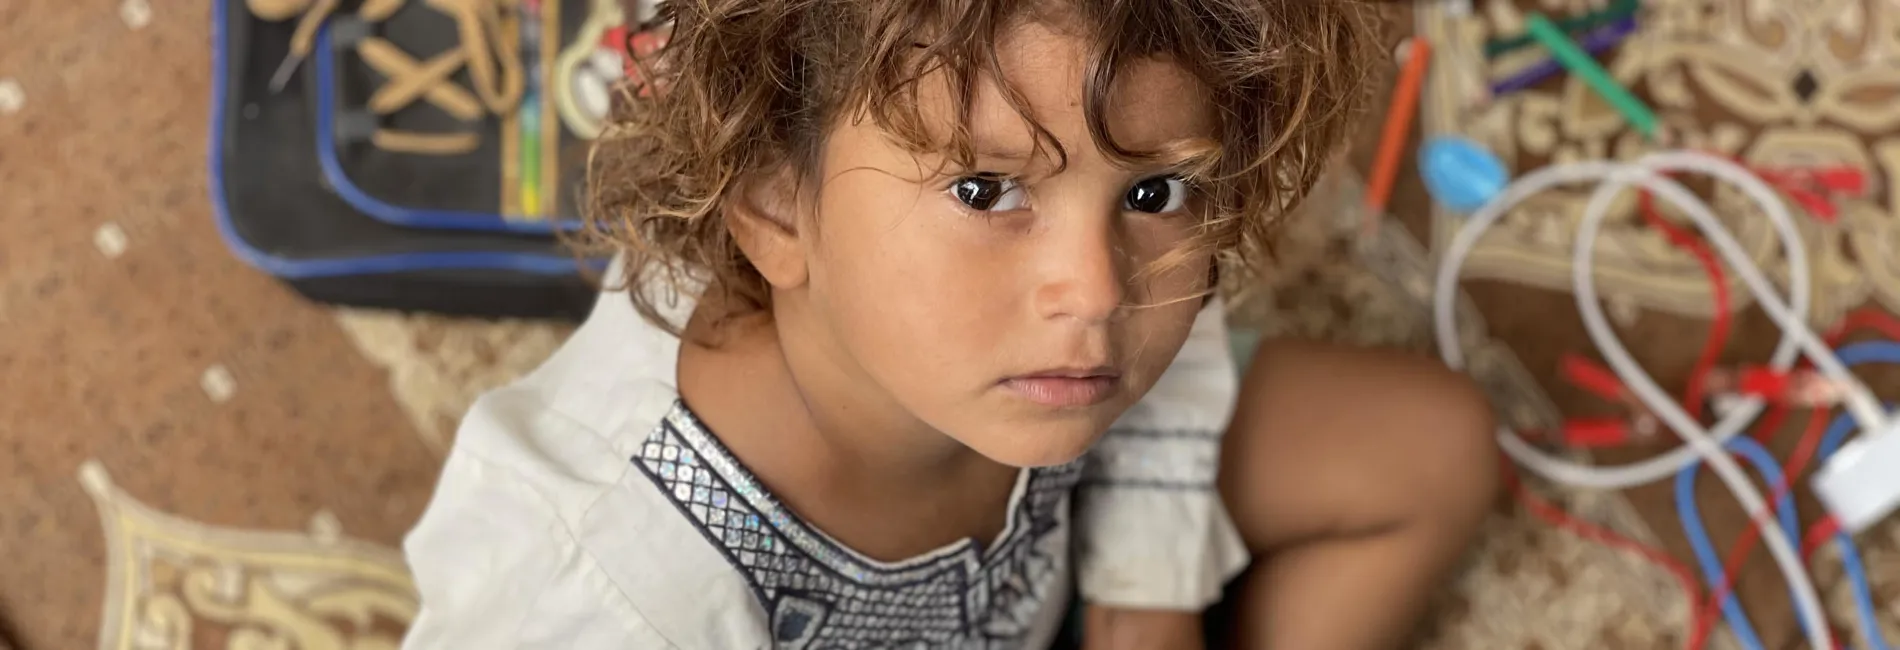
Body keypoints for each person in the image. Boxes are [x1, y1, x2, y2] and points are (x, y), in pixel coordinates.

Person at [399, 0, 1499, 647]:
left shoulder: (1072, 317)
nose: (1096, 292)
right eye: (985, 193)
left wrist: (1144, 595)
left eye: (1151, 195)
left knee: (1430, 447)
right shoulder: (611, 594)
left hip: (1059, 571)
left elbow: (1180, 316)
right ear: (776, 203)